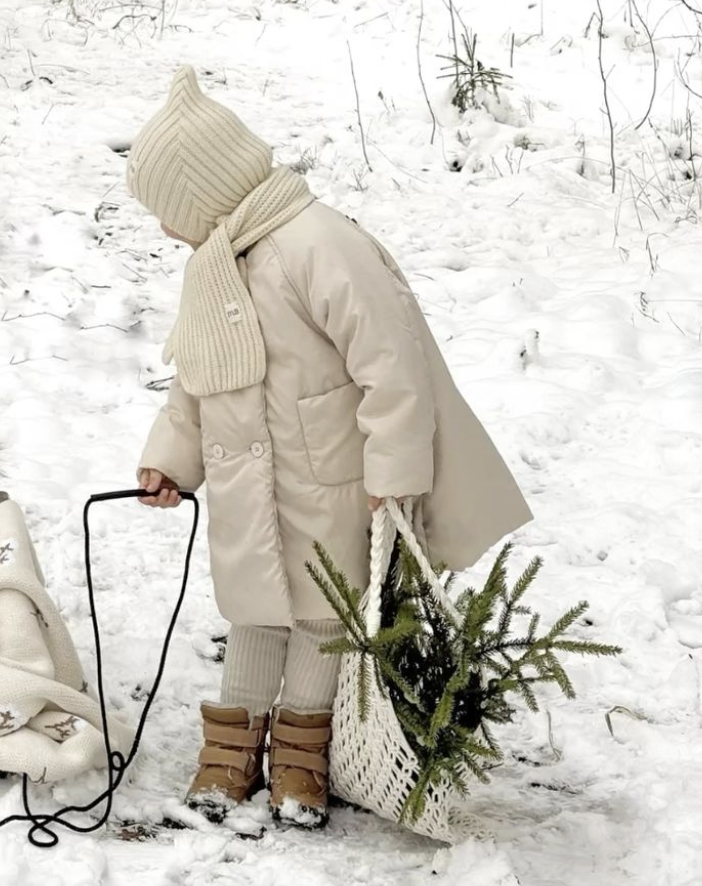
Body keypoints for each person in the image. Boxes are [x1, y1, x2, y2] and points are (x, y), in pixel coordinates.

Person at [125, 66, 531, 827]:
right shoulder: (216, 264)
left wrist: (395, 469)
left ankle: (303, 756)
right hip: (248, 483)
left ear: (207, 193)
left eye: (168, 211)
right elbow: (197, 381)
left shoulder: (318, 246)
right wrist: (169, 459)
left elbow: (393, 365)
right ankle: (230, 750)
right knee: (253, 612)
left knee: (322, 616)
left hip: (333, 480)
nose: (164, 229)